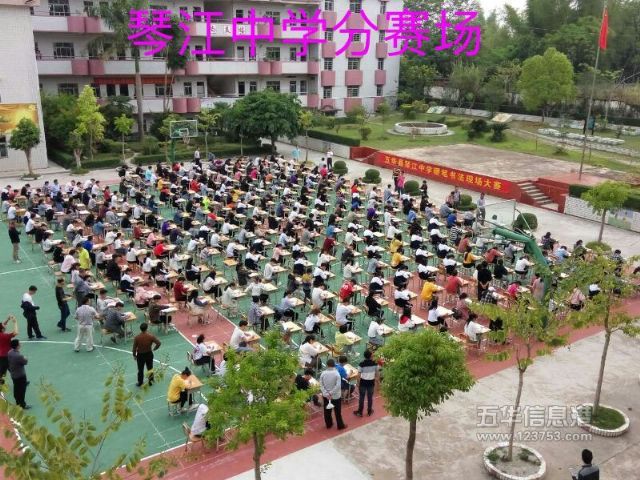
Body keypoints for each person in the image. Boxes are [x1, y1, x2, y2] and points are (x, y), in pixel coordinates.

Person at [319, 359, 347, 430]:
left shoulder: (323, 373)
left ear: (327, 365)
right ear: (334, 365)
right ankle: (340, 425)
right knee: (337, 412)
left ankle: (329, 424)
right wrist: (331, 393)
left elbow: (321, 385)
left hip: (326, 396)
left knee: (327, 411)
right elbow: (338, 386)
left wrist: (326, 393)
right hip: (336, 396)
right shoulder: (336, 374)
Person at [353, 349, 378, 417]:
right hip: (371, 383)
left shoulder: (361, 364)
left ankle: (360, 412)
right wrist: (377, 382)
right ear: (371, 356)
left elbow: (359, 375)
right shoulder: (375, 363)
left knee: (361, 397)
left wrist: (358, 383)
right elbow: (377, 373)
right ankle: (369, 411)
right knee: (370, 398)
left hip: (363, 383)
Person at [8, 339, 29, 409]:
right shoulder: (18, 356)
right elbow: (25, 362)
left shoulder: (10, 352)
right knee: (22, 390)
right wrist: (25, 358)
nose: (20, 344)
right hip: (20, 375)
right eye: (19, 343)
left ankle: (17, 402)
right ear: (17, 346)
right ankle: (22, 404)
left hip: (13, 374)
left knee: (16, 388)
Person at [0, 315, 19, 382]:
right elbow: (16, 332)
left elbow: (3, 324)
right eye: (4, 326)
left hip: (2, 356)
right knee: (13, 369)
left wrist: (7, 319)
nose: (5, 325)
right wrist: (15, 322)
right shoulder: (4, 336)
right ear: (2, 329)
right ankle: (19, 381)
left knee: (3, 371)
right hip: (6, 356)